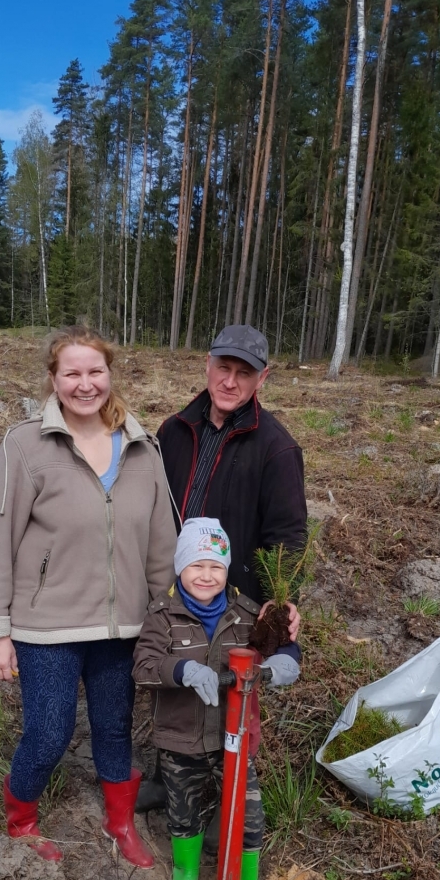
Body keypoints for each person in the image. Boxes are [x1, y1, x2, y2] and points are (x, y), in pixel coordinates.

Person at [0, 325, 176, 868]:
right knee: (50, 731)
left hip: (122, 627)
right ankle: (21, 821)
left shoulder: (142, 446)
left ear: (110, 374)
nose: (86, 384)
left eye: (96, 371)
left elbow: (159, 544)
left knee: (114, 726)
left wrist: (168, 618)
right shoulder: (26, 444)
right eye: (73, 373)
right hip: (47, 627)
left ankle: (121, 822)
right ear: (54, 380)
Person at [137, 324, 308, 812]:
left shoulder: (276, 448)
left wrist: (281, 597)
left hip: (236, 597)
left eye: (244, 373)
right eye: (223, 368)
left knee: (234, 694)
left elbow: (289, 536)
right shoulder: (174, 430)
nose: (230, 381)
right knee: (176, 680)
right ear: (207, 365)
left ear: (263, 378)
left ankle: (226, 799)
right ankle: (166, 777)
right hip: (177, 588)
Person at [133, 518, 301, 880]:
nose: (206, 576)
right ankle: (188, 871)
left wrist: (284, 662)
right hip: (181, 740)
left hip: (236, 737)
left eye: (216, 567)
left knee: (251, 815)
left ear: (227, 570)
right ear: (180, 568)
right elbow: (143, 666)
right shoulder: (162, 615)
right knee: (183, 811)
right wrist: (182, 671)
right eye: (196, 566)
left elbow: (282, 648)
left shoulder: (246, 615)